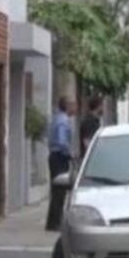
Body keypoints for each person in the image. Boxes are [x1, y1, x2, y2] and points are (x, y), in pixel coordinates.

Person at [45, 97, 75, 230]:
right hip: (59, 157)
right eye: (73, 105)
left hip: (55, 156)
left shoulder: (57, 118)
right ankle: (54, 223)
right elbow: (62, 141)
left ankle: (53, 221)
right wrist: (70, 153)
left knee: (57, 190)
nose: (75, 108)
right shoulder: (63, 121)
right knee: (59, 191)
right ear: (67, 106)